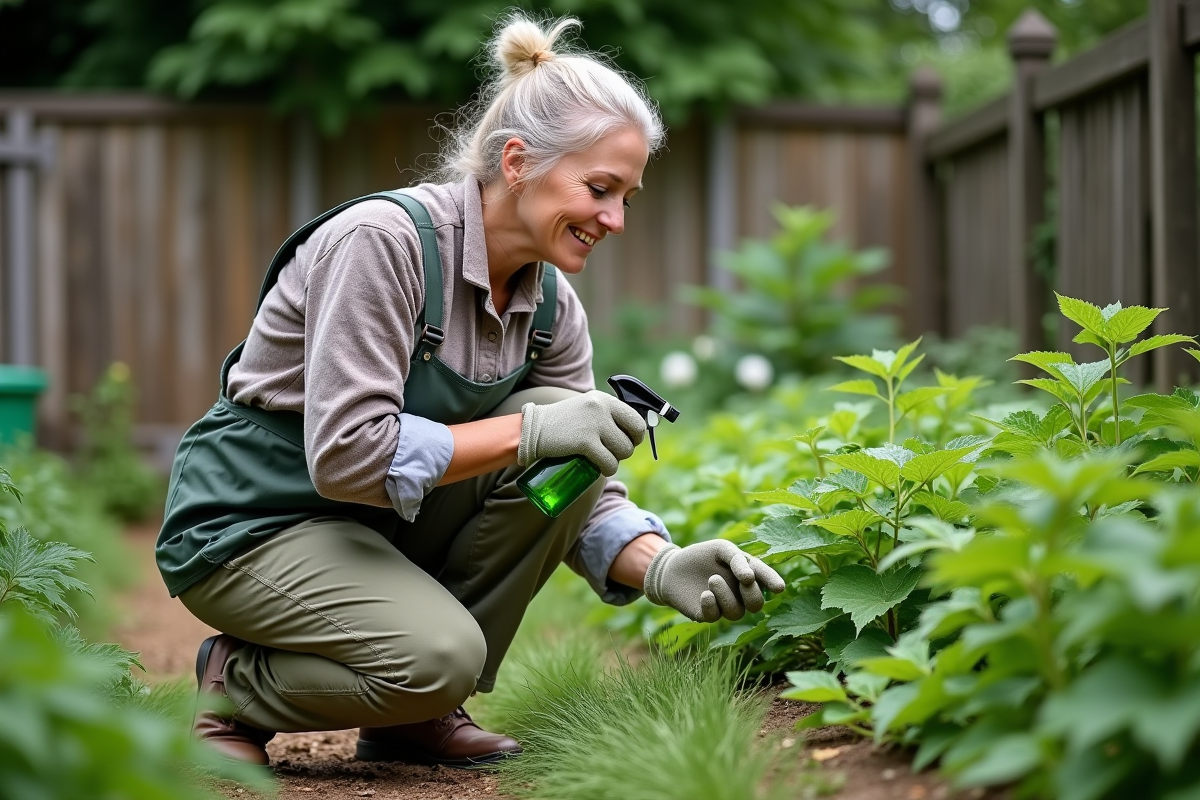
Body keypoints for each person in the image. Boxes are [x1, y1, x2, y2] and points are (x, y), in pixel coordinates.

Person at [155, 12, 785, 770]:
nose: (615, 219)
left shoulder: (551, 308)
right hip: (256, 522)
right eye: (600, 188)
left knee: (567, 436)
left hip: (379, 526)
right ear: (517, 161)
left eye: (627, 197)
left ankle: (411, 716)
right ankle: (237, 685)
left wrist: (655, 564)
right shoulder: (382, 246)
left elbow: (568, 478)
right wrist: (528, 436)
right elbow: (347, 458)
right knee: (443, 647)